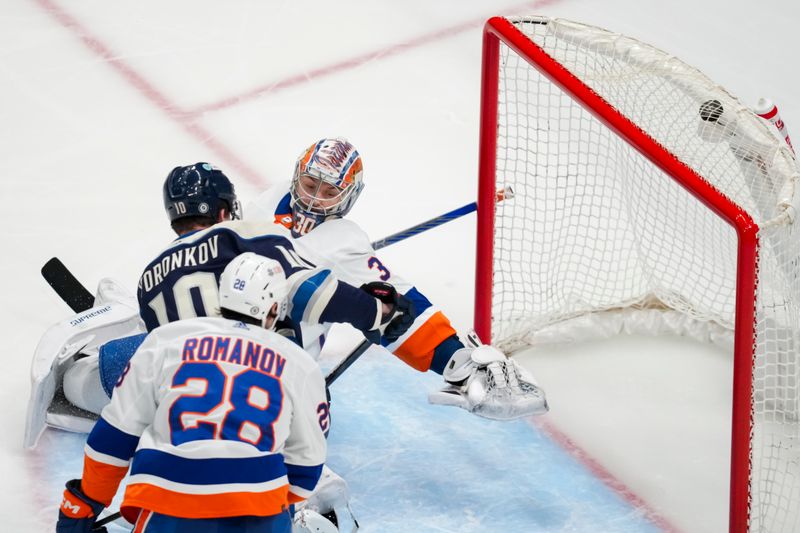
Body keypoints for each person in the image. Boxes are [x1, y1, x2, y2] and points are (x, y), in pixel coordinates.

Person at [24, 162, 414, 447]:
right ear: (227, 210)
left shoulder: (151, 275)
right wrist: (377, 313)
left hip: (175, 405)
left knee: (86, 380)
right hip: (256, 389)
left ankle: (88, 371)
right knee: (304, 395)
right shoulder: (246, 236)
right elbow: (309, 291)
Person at [247, 138, 547, 420]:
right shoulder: (270, 200)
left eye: (329, 193)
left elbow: (402, 310)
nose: (314, 198)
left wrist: (460, 363)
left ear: (348, 196)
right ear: (297, 175)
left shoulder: (343, 244)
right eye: (311, 184)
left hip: (274, 365)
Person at [56, 253, 328, 533]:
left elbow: (114, 437)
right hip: (259, 505)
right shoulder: (299, 363)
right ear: (274, 308)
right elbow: (307, 465)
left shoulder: (165, 339)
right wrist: (278, 506)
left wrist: (86, 502)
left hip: (168, 493)